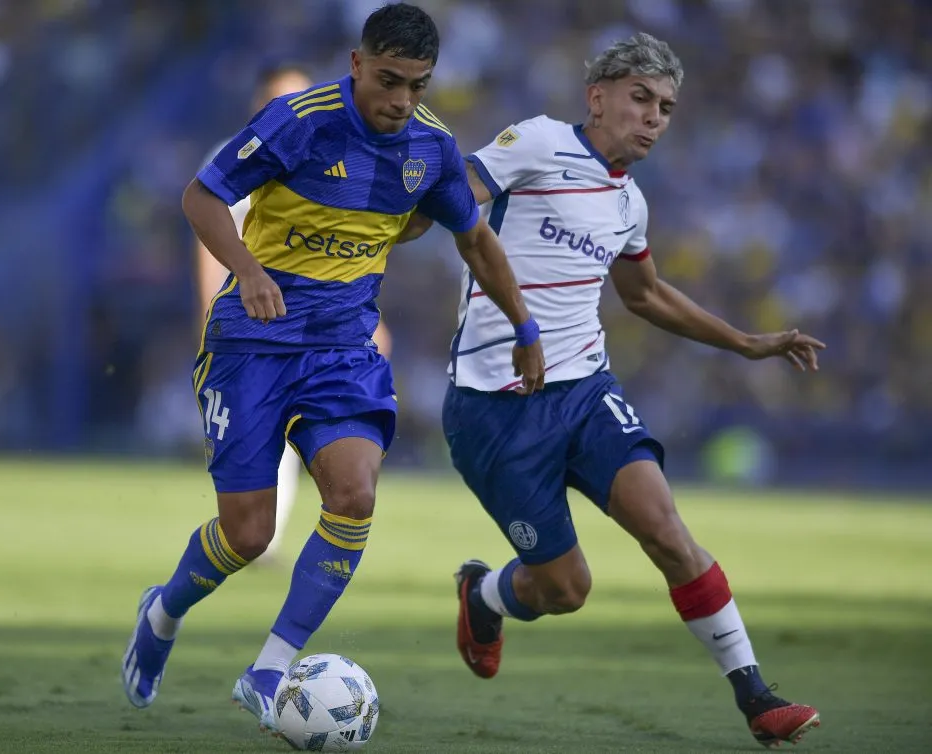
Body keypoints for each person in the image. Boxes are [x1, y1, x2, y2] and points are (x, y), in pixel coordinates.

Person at [121, 2, 546, 739]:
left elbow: (474, 240)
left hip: (343, 351)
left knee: (353, 494)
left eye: (417, 85)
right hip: (251, 345)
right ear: (356, 63)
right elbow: (201, 196)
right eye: (388, 80)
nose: (401, 100)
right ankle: (162, 611)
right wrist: (248, 270)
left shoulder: (431, 148)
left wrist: (526, 325)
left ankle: (269, 668)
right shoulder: (297, 120)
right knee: (249, 535)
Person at [431, 32, 824, 749]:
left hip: (584, 391)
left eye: (666, 108)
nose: (653, 118)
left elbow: (643, 295)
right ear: (598, 97)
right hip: (494, 409)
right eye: (640, 98)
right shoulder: (540, 142)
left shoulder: (629, 202)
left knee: (667, 530)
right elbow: (454, 195)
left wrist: (744, 341)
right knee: (565, 591)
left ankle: (757, 697)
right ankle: (485, 594)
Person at [193, 64, 393, 564]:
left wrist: (370, 317)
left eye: (300, 95)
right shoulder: (235, 154)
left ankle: (276, 535)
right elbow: (207, 231)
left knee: (321, 433)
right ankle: (255, 535)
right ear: (260, 104)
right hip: (252, 319)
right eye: (281, 97)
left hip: (320, 326)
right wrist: (211, 304)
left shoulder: (338, 153)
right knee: (263, 435)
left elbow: (352, 245)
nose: (294, 106)